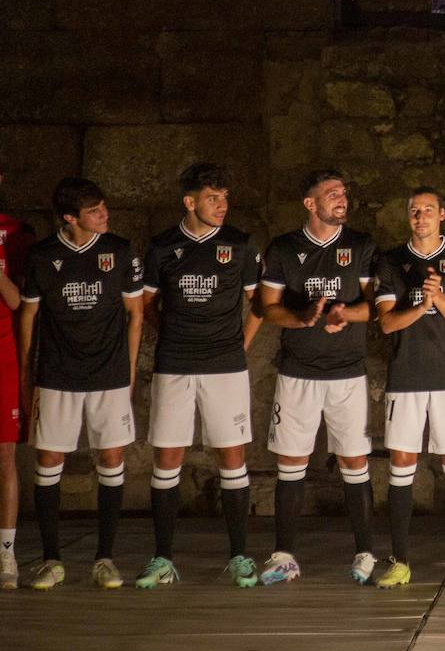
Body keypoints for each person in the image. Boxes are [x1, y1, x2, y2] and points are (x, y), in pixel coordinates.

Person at [137, 163, 262, 589]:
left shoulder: (239, 245)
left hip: (225, 366)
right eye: (213, 198)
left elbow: (259, 304)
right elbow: (147, 304)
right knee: (167, 458)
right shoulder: (161, 247)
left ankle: (240, 556)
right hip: (175, 363)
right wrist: (169, 332)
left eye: (225, 198)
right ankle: (162, 558)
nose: (222, 206)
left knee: (232, 457)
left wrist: (239, 343)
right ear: (189, 202)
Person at [18, 178, 143, 590]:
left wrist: (127, 373)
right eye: (93, 211)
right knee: (50, 461)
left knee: (110, 459)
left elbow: (135, 314)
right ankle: (52, 560)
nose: (104, 215)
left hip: (108, 376)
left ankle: (104, 558)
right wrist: (26, 374)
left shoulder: (119, 251)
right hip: (58, 376)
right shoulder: (43, 256)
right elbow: (29, 318)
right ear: (71, 218)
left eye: (104, 207)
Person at [257, 169, 378, 585]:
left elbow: (373, 305)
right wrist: (302, 317)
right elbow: (267, 307)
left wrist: (345, 314)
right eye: (331, 194)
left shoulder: (359, 245)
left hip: (347, 372)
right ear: (310, 204)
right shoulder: (285, 248)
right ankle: (284, 555)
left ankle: (365, 552)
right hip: (298, 371)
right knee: (291, 462)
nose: (341, 199)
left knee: (355, 461)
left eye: (343, 192)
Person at [374, 188, 445, 588]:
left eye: (428, 211)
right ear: (408, 217)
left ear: (441, 217)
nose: (420, 217)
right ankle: (399, 560)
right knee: (401, 464)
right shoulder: (391, 261)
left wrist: (439, 297)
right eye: (414, 211)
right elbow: (386, 323)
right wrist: (421, 305)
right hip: (406, 377)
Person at [0, 169, 35, 589]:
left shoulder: (16, 233)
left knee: (5, 456)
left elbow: (20, 301)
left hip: (4, 354)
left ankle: (6, 555)